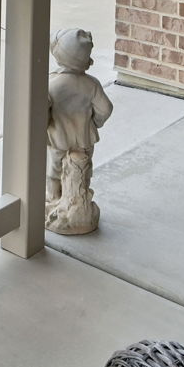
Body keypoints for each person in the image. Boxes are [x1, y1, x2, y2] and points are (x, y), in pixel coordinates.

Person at [46, 27, 113, 235]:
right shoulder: (91, 84)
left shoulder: (52, 85)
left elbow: (41, 112)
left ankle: (54, 198)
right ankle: (77, 198)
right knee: (83, 169)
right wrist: (94, 123)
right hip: (84, 139)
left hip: (58, 138)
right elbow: (105, 109)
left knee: (54, 170)